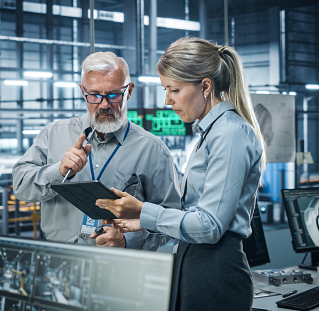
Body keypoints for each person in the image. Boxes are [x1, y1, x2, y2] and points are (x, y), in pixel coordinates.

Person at [96, 37, 266, 311]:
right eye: (165, 89)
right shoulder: (210, 134)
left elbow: (210, 226)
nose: (167, 100)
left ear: (206, 87)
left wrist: (143, 211)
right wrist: (142, 221)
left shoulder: (230, 133)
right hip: (196, 262)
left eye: (174, 89)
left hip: (216, 269)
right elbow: (197, 214)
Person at [12, 51, 181, 249]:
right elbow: (20, 185)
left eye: (114, 95)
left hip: (120, 264)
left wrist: (128, 240)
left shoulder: (153, 150)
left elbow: (172, 218)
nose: (104, 104)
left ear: (129, 91)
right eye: (94, 95)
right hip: (62, 260)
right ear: (83, 92)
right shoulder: (53, 134)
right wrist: (57, 172)